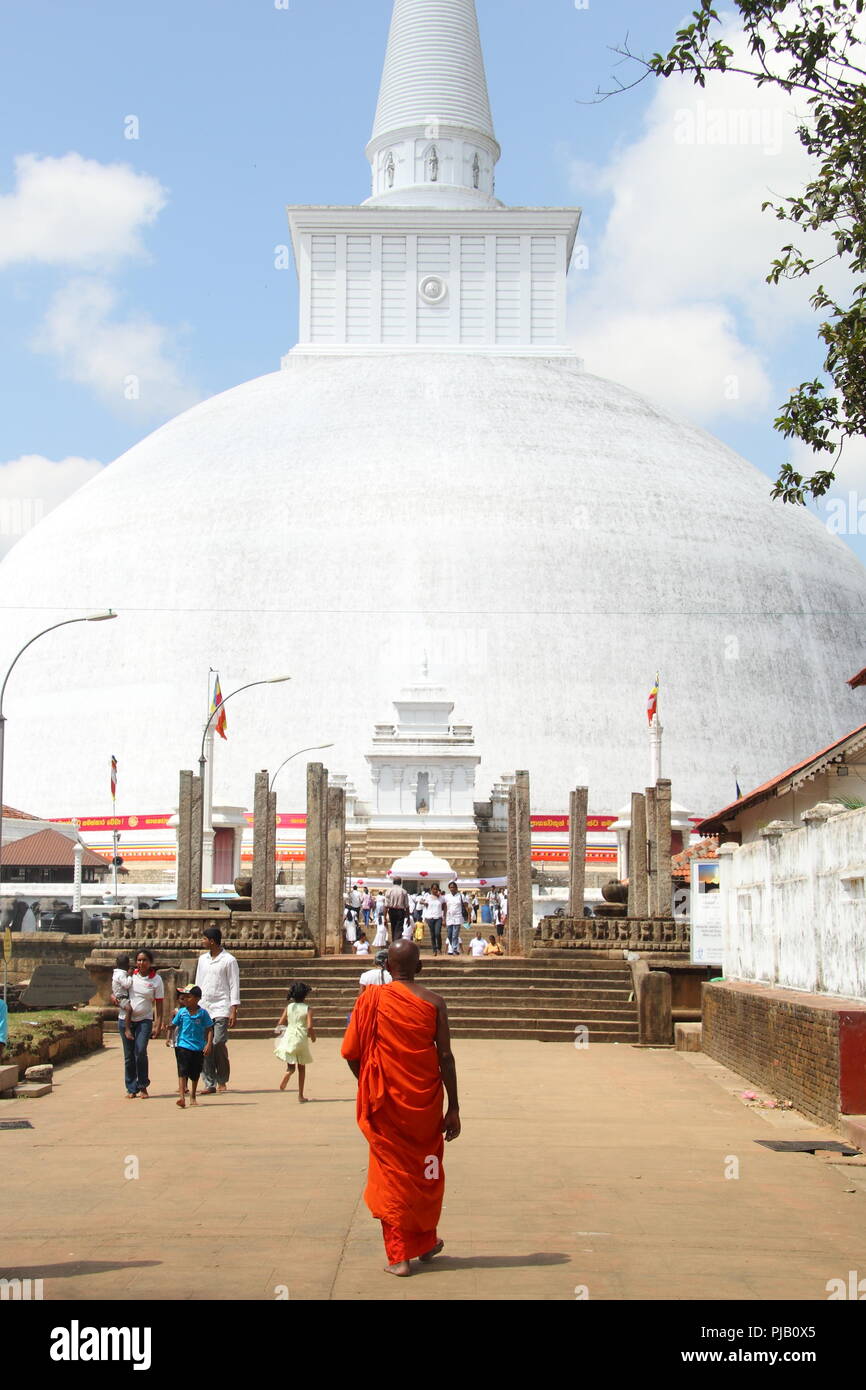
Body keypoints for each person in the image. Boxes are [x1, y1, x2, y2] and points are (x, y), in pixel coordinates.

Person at [341, 940, 460, 1277]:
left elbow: (351, 1053)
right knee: (426, 1170)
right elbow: (446, 1057)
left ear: (387, 967)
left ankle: (400, 1257)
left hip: (386, 1103)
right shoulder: (435, 1002)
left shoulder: (370, 1000)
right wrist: (454, 1107)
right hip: (426, 1104)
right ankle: (424, 1240)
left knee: (391, 1176)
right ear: (420, 968)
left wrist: (370, 1082)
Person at [194, 925, 240, 1095]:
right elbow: (199, 982)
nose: (202, 941)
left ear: (212, 941)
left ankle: (222, 1078)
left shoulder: (229, 960)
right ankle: (209, 1082)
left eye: (204, 939)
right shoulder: (202, 960)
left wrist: (233, 1009)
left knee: (218, 1042)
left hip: (221, 1006)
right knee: (205, 1045)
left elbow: (234, 985)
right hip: (205, 1006)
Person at [125, 949, 165, 1098]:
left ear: (150, 963)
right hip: (127, 1020)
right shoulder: (130, 976)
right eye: (139, 960)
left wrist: (158, 1023)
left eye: (144, 960)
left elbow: (159, 1005)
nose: (141, 963)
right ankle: (131, 1087)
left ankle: (143, 1085)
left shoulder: (156, 980)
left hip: (145, 1020)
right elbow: (116, 990)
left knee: (140, 1051)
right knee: (129, 1055)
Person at [166, 984, 214, 1108]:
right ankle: (182, 1097)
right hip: (182, 1045)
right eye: (184, 997)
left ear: (197, 998)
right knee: (182, 1071)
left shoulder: (203, 1013)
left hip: (198, 1047)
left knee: (195, 1072)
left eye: (189, 997)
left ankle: (193, 1095)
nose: (186, 999)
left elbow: (209, 1028)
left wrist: (208, 1044)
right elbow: (174, 1025)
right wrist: (168, 1029)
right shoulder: (182, 1012)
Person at [274, 982, 316, 1102]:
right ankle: (300, 1095)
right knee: (302, 1067)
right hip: (301, 1038)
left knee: (291, 1063)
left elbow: (280, 1023)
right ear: (305, 995)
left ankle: (289, 1072)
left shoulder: (289, 1007)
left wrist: (282, 1033)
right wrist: (313, 1037)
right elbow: (309, 1027)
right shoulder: (308, 1009)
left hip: (290, 1036)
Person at [443, 881, 468, 955]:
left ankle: (454, 949)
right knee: (449, 934)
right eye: (451, 887)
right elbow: (445, 907)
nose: (452, 889)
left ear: (456, 888)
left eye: (453, 887)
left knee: (455, 934)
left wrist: (468, 917)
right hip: (449, 917)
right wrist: (444, 918)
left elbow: (466, 906)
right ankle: (453, 946)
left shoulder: (461, 896)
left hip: (458, 916)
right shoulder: (447, 896)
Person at [385, 877, 410, 943]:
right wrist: (408, 917)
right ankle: (396, 943)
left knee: (393, 928)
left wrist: (384, 917)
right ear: (400, 882)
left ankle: (394, 943)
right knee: (399, 929)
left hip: (391, 911)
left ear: (393, 882)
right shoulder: (403, 891)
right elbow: (407, 906)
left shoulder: (389, 891)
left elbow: (385, 906)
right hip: (400, 912)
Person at [423, 884, 444, 956]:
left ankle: (439, 948)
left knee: (437, 933)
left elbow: (444, 908)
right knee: (432, 935)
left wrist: (444, 918)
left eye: (436, 889)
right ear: (431, 889)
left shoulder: (441, 898)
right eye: (434, 889)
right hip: (430, 918)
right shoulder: (428, 897)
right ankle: (434, 950)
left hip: (438, 917)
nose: (435, 890)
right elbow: (422, 902)